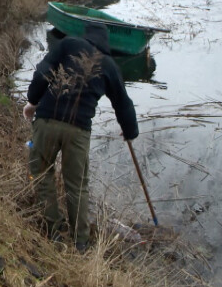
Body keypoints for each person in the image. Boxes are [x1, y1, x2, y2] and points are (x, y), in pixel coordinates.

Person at [23, 23, 139, 253]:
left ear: (86, 35)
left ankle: (53, 230)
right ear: (106, 44)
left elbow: (43, 71)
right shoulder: (110, 66)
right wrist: (129, 131)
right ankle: (80, 242)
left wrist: (32, 101)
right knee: (77, 186)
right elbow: (123, 103)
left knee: (41, 174)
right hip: (78, 131)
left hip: (47, 121)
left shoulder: (68, 45)